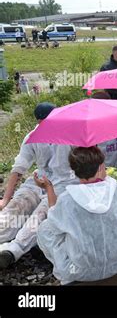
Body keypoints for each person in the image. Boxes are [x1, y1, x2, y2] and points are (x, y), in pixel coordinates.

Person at [36, 146, 117, 284]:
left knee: (44, 228)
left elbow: (54, 224)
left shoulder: (67, 199)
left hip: (83, 270)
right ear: (101, 167)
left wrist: (49, 188)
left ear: (73, 171)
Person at [0, 103, 55, 268]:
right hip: (38, 181)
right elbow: (18, 169)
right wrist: (6, 200)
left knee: (40, 214)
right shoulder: (33, 136)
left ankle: (13, 250)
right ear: (38, 122)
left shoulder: (71, 135)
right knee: (18, 204)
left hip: (61, 184)